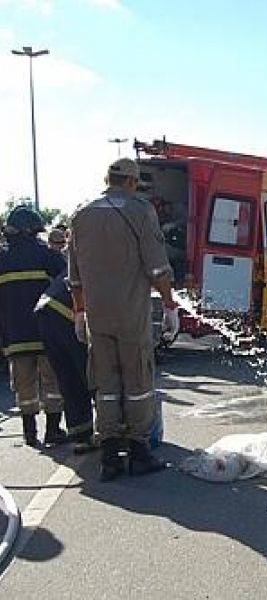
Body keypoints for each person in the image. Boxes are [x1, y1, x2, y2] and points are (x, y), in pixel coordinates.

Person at [68, 158, 180, 481]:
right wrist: (170, 306)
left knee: (105, 383)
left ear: (107, 180)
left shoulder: (81, 214)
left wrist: (79, 313)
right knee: (137, 381)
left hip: (97, 316)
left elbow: (75, 278)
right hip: (131, 314)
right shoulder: (141, 210)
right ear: (131, 182)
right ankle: (138, 452)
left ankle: (110, 456)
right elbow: (157, 268)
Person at [0, 205, 68, 447]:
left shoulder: (2, 258)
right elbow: (68, 285)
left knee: (23, 386)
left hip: (14, 336)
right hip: (46, 333)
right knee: (52, 383)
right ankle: (53, 431)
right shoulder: (48, 256)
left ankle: (30, 434)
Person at [35, 270, 96, 453]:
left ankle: (81, 436)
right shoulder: (112, 265)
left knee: (69, 377)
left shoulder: (82, 259)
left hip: (46, 310)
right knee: (92, 372)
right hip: (67, 311)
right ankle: (113, 433)